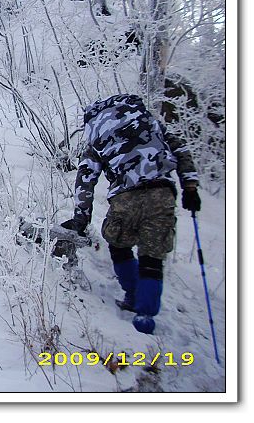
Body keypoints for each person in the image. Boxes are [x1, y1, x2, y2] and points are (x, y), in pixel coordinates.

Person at [60, 94, 201, 335]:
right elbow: (181, 148)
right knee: (152, 257)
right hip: (161, 194)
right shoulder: (148, 121)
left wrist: (81, 218)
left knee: (119, 245)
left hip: (124, 197)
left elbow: (86, 178)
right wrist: (190, 186)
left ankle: (133, 295)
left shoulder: (99, 134)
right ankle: (145, 317)